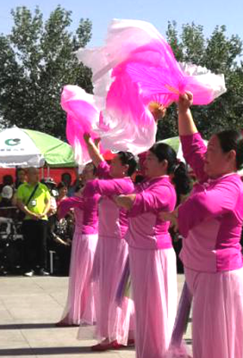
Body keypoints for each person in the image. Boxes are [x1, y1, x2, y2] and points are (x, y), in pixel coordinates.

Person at [158, 91, 243, 358]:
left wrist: (178, 215)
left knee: (215, 350)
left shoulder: (231, 186)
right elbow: (193, 147)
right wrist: (183, 111)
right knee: (208, 347)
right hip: (205, 275)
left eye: (212, 151)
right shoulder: (214, 173)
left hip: (220, 281)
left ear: (231, 156)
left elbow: (204, 205)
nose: (205, 156)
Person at [115, 143, 183, 358]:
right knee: (145, 309)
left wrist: (121, 197)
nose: (145, 162)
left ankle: (159, 353)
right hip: (141, 252)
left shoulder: (163, 188)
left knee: (155, 310)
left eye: (151, 159)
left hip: (154, 254)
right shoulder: (148, 184)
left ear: (164, 164)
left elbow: (129, 201)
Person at [80, 137, 138, 351]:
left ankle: (114, 334)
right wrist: (88, 141)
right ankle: (127, 331)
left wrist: (86, 187)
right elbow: (98, 162)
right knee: (111, 288)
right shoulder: (113, 178)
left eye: (115, 162)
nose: (110, 163)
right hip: (107, 241)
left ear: (125, 168)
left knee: (114, 289)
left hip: (117, 242)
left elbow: (94, 184)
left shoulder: (124, 183)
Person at [54, 163, 100, 328]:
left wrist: (65, 203)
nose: (83, 173)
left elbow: (69, 206)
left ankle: (84, 313)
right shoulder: (87, 189)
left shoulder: (93, 191)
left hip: (87, 237)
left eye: (87, 170)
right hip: (84, 236)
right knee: (82, 276)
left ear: (94, 173)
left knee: (85, 276)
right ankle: (81, 312)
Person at [15, 167, 53, 276]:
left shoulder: (43, 187)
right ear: (28, 175)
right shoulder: (22, 187)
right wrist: (30, 214)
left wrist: (44, 213)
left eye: (38, 173)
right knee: (29, 244)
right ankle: (29, 268)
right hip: (28, 220)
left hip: (42, 219)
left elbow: (48, 202)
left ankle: (42, 267)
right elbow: (20, 202)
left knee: (42, 244)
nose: (37, 176)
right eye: (34, 174)